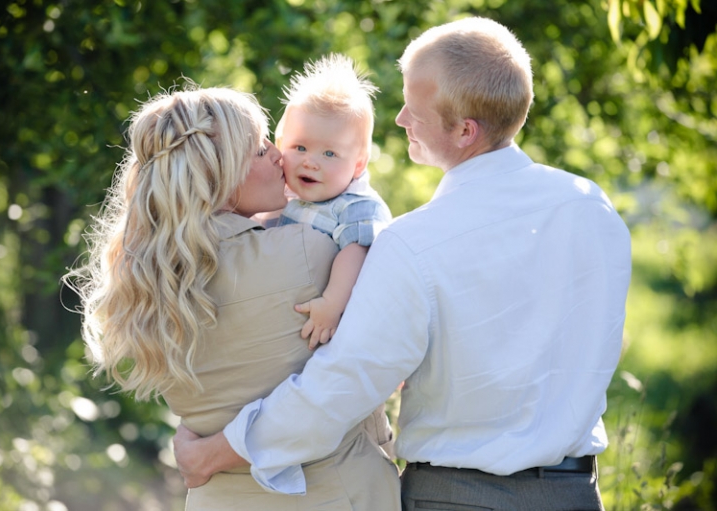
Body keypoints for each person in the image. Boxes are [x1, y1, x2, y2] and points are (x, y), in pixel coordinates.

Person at [173, 17, 632, 511]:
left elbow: (343, 385)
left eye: (414, 108)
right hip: (576, 494)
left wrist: (218, 451)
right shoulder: (591, 208)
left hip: (456, 497)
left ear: (463, 130)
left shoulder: (414, 243)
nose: (399, 120)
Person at [65, 85, 400, 510]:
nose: (281, 156)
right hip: (331, 495)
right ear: (219, 173)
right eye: (261, 150)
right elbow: (351, 385)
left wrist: (209, 453)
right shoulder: (313, 253)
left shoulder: (150, 279)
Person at [273, 53, 392, 350]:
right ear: (279, 145)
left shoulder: (354, 205)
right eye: (299, 147)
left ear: (358, 165)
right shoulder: (286, 196)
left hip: (334, 325)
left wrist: (333, 302)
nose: (310, 163)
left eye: (329, 154)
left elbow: (356, 254)